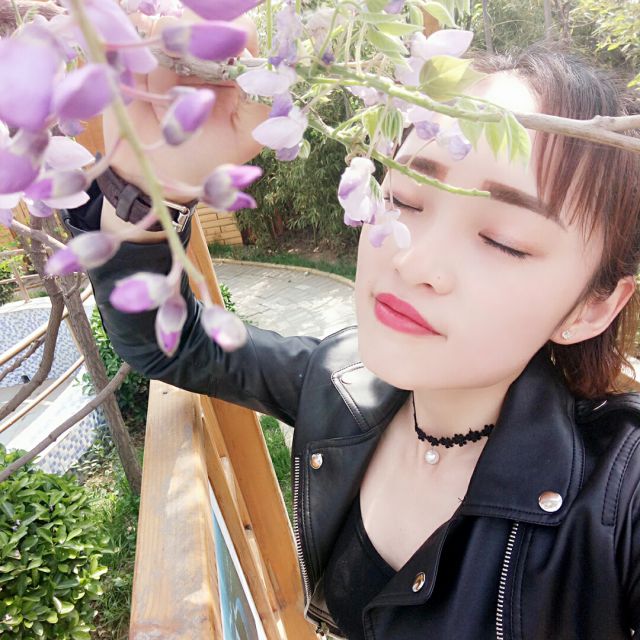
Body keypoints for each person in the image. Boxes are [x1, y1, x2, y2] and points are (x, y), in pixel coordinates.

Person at [62, 14, 640, 639]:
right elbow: (169, 346)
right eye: (406, 199)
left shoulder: (616, 502)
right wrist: (150, 184)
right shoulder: (339, 385)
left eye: (503, 240)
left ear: (592, 307)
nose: (412, 261)